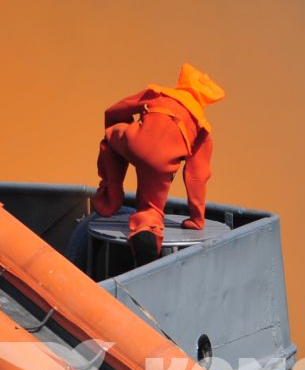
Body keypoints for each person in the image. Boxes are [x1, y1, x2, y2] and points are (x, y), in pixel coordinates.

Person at [90, 63, 225, 264]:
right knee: (150, 210)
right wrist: (197, 219)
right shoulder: (202, 129)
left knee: (111, 139)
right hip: (161, 166)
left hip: (134, 142)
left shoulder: (158, 94)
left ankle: (110, 197)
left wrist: (126, 129)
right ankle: (146, 233)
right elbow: (197, 176)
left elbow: (115, 110)